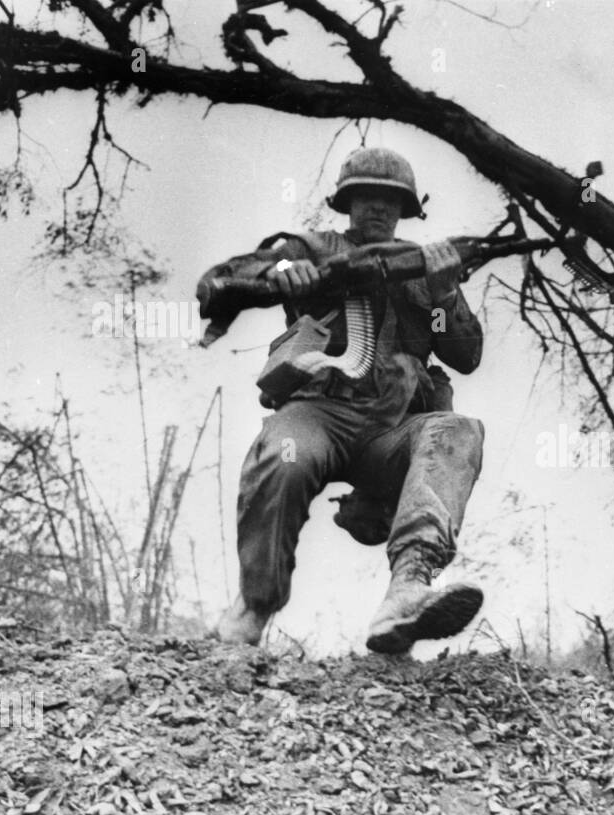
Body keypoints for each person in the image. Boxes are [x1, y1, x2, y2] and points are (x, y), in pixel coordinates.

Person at [200, 147, 487, 654]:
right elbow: (220, 281)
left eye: (389, 200)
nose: (377, 208)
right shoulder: (308, 248)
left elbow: (465, 356)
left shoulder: (424, 266)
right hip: (318, 412)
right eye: (365, 197)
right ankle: (254, 605)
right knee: (284, 456)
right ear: (346, 202)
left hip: (393, 428)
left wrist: (443, 296)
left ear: (406, 210)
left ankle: (408, 591)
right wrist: (280, 273)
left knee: (457, 431)